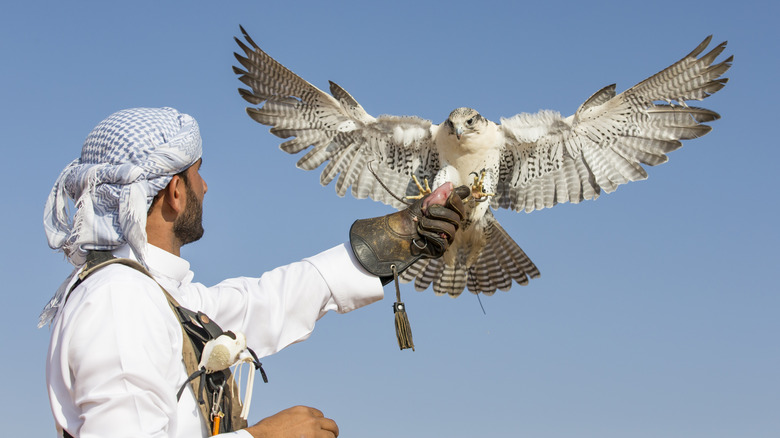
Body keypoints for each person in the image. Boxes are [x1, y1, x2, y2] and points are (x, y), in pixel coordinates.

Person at [41, 107, 466, 437]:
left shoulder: (154, 295)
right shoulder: (118, 301)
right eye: (197, 173)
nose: (204, 186)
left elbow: (266, 302)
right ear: (174, 192)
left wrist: (404, 234)